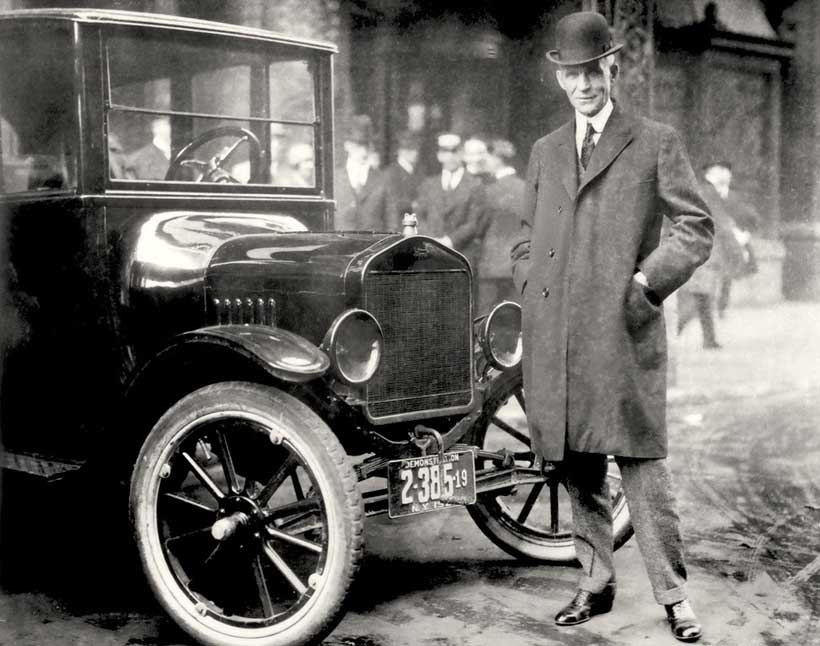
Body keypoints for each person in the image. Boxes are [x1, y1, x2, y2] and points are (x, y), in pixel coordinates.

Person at [510, 12, 714, 642]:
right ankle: (594, 583)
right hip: (558, 335)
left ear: (612, 69)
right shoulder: (546, 151)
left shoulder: (655, 141)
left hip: (622, 331)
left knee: (642, 464)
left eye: (592, 71)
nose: (583, 85)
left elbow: (695, 228)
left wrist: (646, 286)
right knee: (576, 465)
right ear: (561, 80)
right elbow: (525, 238)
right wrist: (530, 286)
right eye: (571, 75)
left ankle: (674, 597)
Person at [415, 133, 487, 279]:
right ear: (439, 156)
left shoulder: (475, 185)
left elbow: (474, 223)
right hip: (430, 256)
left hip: (461, 256)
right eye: (445, 152)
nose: (450, 157)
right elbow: (419, 216)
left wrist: (449, 241)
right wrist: (432, 241)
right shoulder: (428, 184)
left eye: (455, 152)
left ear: (462, 154)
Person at [701, 160, 757, 318]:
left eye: (727, 173)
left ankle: (721, 306)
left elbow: (743, 213)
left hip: (729, 237)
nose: (727, 176)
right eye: (722, 171)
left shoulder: (732, 195)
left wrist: (740, 230)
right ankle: (709, 305)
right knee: (713, 272)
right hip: (714, 236)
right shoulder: (708, 192)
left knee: (726, 275)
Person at [477, 138, 524, 311]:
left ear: (497, 159)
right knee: (514, 319)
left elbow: (478, 227)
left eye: (487, 157)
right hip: (517, 266)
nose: (485, 161)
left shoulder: (488, 192)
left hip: (491, 268)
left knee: (485, 321)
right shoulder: (526, 188)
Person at [334, 114, 389, 231]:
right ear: (347, 145)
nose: (364, 152)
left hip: (375, 248)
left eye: (367, 146)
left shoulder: (382, 179)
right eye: (359, 145)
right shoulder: (334, 178)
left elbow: (391, 221)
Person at [383, 130, 423, 231]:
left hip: (417, 225)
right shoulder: (391, 173)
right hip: (399, 225)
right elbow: (392, 202)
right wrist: (414, 204)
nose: (415, 153)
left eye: (416, 149)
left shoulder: (419, 172)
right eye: (410, 149)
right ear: (401, 151)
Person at [128, 116, 172, 180]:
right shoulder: (137, 160)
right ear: (156, 128)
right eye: (167, 124)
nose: (175, 128)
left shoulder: (184, 154)